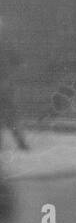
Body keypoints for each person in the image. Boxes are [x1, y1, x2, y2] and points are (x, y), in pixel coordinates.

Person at [0, 17, 30, 151]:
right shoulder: (7, 42)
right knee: (12, 113)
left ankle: (20, 142)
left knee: (10, 113)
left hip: (5, 82)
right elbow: (20, 61)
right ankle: (21, 142)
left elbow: (19, 61)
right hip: (6, 82)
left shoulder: (7, 43)